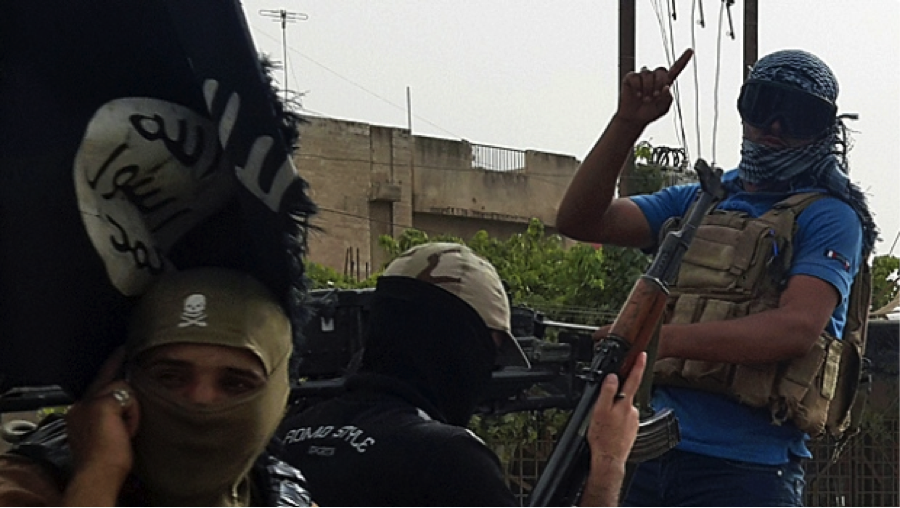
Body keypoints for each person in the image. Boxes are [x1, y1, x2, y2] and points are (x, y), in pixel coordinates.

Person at [555, 48, 877, 507]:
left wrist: (653, 340)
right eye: (764, 105)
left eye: (798, 115)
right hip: (648, 455)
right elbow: (581, 221)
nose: (775, 126)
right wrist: (628, 123)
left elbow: (797, 328)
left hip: (749, 471)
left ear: (824, 128)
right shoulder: (702, 200)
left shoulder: (830, 216)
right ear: (744, 110)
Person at [277, 242, 645, 507]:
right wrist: (607, 466)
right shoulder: (449, 463)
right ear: (462, 343)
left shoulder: (281, 439)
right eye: (489, 352)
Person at [0, 268, 315, 507]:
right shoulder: (25, 486)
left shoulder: (280, 494)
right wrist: (97, 476)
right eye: (169, 377)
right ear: (120, 379)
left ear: (276, 397)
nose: (201, 399)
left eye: (235, 383)